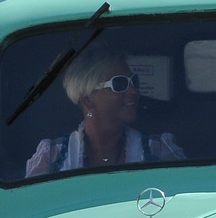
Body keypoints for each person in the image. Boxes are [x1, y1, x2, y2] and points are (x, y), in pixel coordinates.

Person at [25, 50, 186, 178]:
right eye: (120, 84)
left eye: (134, 82)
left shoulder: (159, 150)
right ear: (87, 99)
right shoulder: (51, 155)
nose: (133, 91)